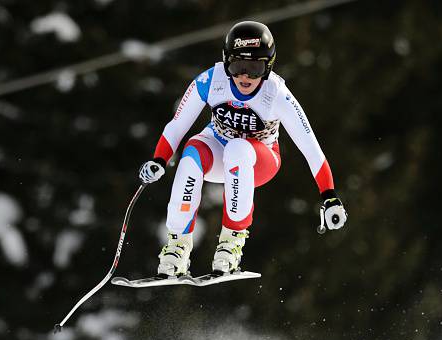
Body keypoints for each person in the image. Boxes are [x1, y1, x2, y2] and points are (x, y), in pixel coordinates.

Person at [138, 21, 347, 277]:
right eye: (237, 67)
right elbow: (177, 126)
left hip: (259, 161)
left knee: (237, 148)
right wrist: (159, 160)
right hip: (217, 151)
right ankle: (178, 245)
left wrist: (329, 195)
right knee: (192, 151)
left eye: (255, 68)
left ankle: (231, 241)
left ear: (268, 67)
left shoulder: (277, 95)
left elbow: (311, 148)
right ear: (226, 62)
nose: (245, 77)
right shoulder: (210, 81)